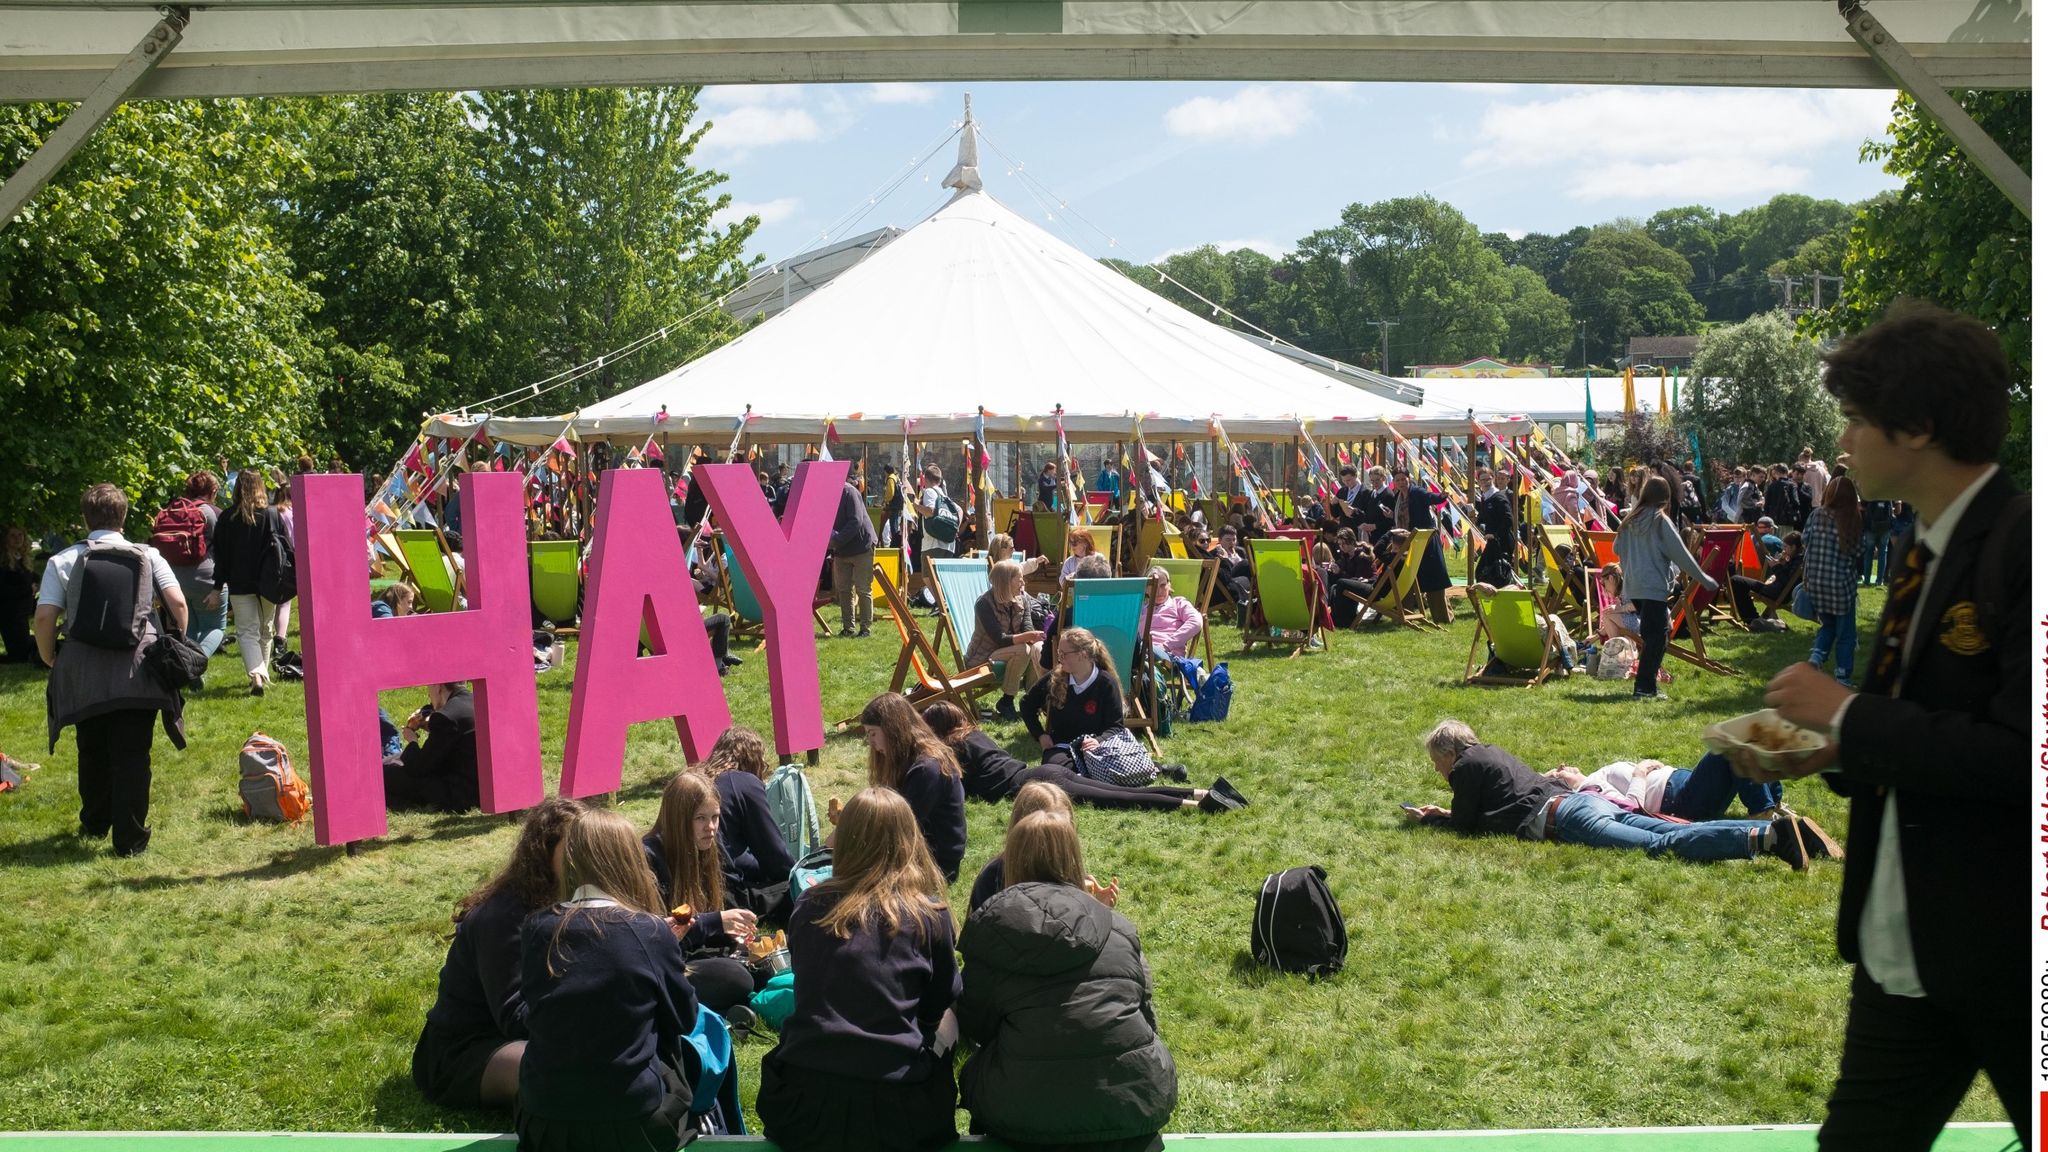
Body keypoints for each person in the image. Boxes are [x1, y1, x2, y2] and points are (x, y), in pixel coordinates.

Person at [1747, 301, 2028, 1150]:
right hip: (1907, 950)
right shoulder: (1922, 546)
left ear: (1916, 427)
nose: (1843, 441)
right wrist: (1832, 750)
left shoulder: (2026, 546)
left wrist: (1850, 713)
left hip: (2010, 955)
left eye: (1856, 418)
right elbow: (1923, 728)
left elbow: (2024, 761)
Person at [957, 809, 1178, 1152]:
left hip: (1021, 1116)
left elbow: (974, 1024)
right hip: (1130, 1105)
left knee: (976, 1073)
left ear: (1013, 860)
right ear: (1075, 858)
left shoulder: (994, 931)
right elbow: (1146, 1016)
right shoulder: (1120, 928)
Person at [755, 788, 960, 1152]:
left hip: (803, 1104)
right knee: (952, 1016)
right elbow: (936, 1005)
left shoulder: (810, 905)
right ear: (909, 841)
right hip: (900, 1110)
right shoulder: (930, 914)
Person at [517, 809, 701, 1152]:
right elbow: (684, 1018)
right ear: (630, 861)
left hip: (544, 1121)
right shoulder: (650, 931)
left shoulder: (537, 928)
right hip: (633, 1123)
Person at [1405, 721, 1805, 867]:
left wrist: (1432, 818)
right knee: (1668, 827)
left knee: (1658, 843)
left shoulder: (1465, 767)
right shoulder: (1491, 754)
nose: (1438, 770)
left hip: (1570, 816)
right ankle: (1794, 834)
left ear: (1449, 753)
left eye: (1436, 762)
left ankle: (1770, 837)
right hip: (1588, 802)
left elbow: (1465, 825)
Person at [35, 483, 188, 858]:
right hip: (139, 670)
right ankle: (130, 839)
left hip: (85, 671)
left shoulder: (64, 560)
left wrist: (49, 656)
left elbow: (44, 616)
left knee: (91, 747)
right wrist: (174, 641)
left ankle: (96, 820)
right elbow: (178, 603)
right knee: (133, 754)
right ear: (123, 516)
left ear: (85, 518)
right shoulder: (148, 555)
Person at [413, 796, 585, 1111]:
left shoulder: (577, 902)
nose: (584, 857)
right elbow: (513, 1016)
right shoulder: (503, 917)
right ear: (544, 852)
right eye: (574, 847)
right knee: (559, 1070)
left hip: (532, 1032)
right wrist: (580, 1018)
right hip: (465, 1048)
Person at [924, 702, 1232, 818]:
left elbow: (956, 793)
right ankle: (1200, 794)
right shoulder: (976, 735)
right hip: (1043, 772)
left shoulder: (954, 749)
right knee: (1123, 794)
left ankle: (1198, 804)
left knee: (1120, 799)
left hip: (1039, 784)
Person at [642, 772, 759, 1015]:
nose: (711, 827)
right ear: (678, 820)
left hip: (699, 952)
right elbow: (659, 935)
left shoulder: (707, 846)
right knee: (738, 978)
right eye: (700, 818)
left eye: (715, 817)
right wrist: (716, 922)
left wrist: (734, 931)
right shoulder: (650, 858)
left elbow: (726, 899)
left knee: (763, 960)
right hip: (666, 965)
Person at [1612, 475, 1716, 701]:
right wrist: (1703, 578)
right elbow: (1682, 555)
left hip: (1634, 587)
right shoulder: (1660, 521)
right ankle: (1644, 688)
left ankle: (1645, 685)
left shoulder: (1629, 520)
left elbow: (1616, 548)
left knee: (1655, 635)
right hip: (1653, 587)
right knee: (1657, 638)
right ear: (1666, 497)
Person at [857, 693, 966, 882]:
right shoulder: (907, 760)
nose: (871, 744)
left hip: (936, 862)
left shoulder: (928, 768)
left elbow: (899, 825)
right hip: (914, 850)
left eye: (873, 733)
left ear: (892, 729)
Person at [695, 726, 796, 917]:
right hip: (725, 890)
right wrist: (795, 875)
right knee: (804, 892)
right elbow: (771, 851)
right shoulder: (743, 782)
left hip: (689, 884)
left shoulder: (697, 780)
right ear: (754, 759)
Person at [209, 468, 290, 696]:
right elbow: (284, 550)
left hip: (240, 583)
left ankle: (257, 675)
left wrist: (217, 587)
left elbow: (221, 558)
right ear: (260, 487)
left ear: (236, 489)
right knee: (266, 629)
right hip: (269, 582)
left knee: (247, 631)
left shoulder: (226, 518)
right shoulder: (273, 515)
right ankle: (259, 675)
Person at [1021, 627, 1126, 763]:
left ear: (1083, 654)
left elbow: (1116, 726)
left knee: (1101, 770)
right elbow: (1026, 704)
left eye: (1064, 654)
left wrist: (1098, 741)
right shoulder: (1055, 678)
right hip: (1062, 746)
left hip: (1097, 750)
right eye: (1059, 653)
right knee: (1054, 769)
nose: (1059, 659)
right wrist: (1040, 735)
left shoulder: (1106, 683)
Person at [156, 472, 226, 673]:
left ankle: (191, 674)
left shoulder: (174, 509)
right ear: (212, 491)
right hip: (206, 579)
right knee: (216, 628)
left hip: (174, 580)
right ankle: (193, 665)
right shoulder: (211, 513)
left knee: (192, 629)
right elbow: (222, 549)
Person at [963, 560, 1045, 719]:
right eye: (1019, 578)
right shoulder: (984, 603)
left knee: (1037, 648)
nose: (1023, 582)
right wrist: (1028, 637)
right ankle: (1007, 701)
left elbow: (1027, 625)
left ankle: (1033, 700)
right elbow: (999, 638)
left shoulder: (1022, 598)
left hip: (1009, 651)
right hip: (983, 657)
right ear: (1006, 581)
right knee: (1024, 650)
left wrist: (1035, 639)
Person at [1803, 473, 1863, 686]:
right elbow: (1857, 551)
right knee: (1846, 632)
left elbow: (1805, 539)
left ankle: (1817, 657)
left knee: (1827, 624)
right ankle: (1842, 675)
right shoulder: (1853, 519)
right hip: (1841, 583)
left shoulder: (1817, 514)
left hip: (1816, 580)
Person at [385, 681, 479, 813]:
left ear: (437, 686)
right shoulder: (474, 700)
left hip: (458, 793)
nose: (429, 694)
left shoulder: (445, 717)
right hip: (478, 785)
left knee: (384, 774)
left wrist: (412, 740)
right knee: (394, 760)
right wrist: (432, 729)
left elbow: (419, 768)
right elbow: (457, 739)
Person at [1389, 466, 1453, 624]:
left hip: (1427, 541)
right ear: (1394, 482)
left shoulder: (1417, 492)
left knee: (1434, 581)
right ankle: (1405, 617)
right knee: (1408, 578)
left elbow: (1431, 497)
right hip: (1410, 542)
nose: (1401, 482)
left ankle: (1444, 618)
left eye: (1403, 479)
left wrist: (1441, 496)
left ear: (1408, 478)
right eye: (1398, 480)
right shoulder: (1398, 497)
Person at [830, 476, 877, 639]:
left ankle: (865, 629)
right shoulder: (826, 495)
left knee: (863, 589)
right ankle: (848, 627)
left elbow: (855, 521)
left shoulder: (849, 492)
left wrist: (836, 540)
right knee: (843, 590)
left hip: (861, 547)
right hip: (842, 550)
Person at [1730, 530, 1802, 629]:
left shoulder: (1797, 561)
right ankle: (1752, 618)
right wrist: (1781, 563)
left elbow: (1786, 580)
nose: (1783, 549)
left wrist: (1776, 567)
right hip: (1776, 590)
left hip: (1776, 593)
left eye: (1786, 547)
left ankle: (1751, 618)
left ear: (1793, 547)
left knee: (1736, 580)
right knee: (1739, 581)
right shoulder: (1795, 559)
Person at [1321, 527, 1378, 628]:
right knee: (1331, 581)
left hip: (1369, 585)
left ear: (1351, 541)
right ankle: (1332, 617)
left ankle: (1344, 620)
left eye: (1344, 544)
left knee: (1341, 583)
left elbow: (1356, 578)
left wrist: (1340, 572)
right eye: (1339, 544)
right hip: (1357, 583)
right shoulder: (1346, 556)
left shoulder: (1362, 556)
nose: (1341, 547)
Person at [1142, 565, 1202, 660]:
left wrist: (1166, 645)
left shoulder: (1178, 604)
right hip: (1142, 651)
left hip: (1167, 655)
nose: (1159, 591)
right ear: (1145, 589)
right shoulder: (1141, 609)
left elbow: (1196, 622)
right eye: (1153, 586)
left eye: (1163, 585)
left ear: (1169, 586)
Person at [1471, 466, 1515, 588]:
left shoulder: (1498, 497)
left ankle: (1503, 597)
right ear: (1478, 481)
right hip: (1493, 541)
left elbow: (1508, 519)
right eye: (1482, 480)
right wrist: (1477, 520)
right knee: (1488, 573)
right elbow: (1485, 516)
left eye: (1488, 479)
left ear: (1493, 479)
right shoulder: (1485, 497)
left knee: (1493, 573)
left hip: (1502, 541)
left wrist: (1495, 534)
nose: (1485, 482)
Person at [0, 525, 37, 663]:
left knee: (24, 651)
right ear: (5, 539)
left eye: (20, 535)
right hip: (9, 613)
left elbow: (30, 576)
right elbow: (4, 589)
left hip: (22, 612)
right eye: (13, 536)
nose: (17, 539)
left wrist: (35, 583)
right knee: (19, 657)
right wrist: (28, 588)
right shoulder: (3, 561)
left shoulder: (21, 557)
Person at [913, 464, 955, 571]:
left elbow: (930, 511)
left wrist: (916, 505)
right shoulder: (945, 496)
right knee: (940, 580)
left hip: (933, 544)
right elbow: (958, 510)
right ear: (940, 481)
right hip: (949, 545)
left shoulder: (930, 491)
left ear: (925, 479)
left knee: (929, 578)